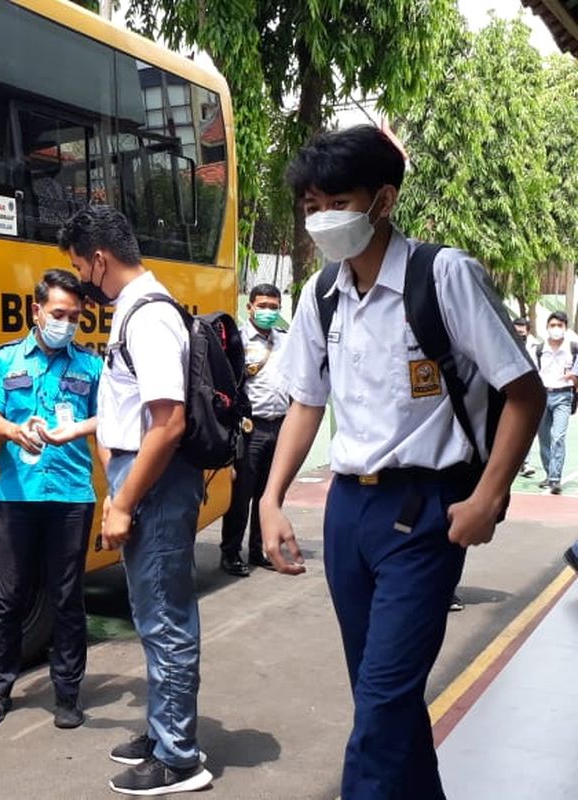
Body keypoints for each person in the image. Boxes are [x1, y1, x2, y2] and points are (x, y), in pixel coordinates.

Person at [258, 126, 544, 800]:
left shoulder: (444, 276)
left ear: (382, 200)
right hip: (347, 514)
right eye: (309, 205)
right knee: (382, 699)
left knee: (383, 707)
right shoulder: (321, 294)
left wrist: (488, 498)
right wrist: (271, 500)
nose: (320, 218)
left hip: (423, 514)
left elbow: (523, 392)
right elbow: (305, 401)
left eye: (336, 200)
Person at [59, 205, 213, 795]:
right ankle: (161, 731)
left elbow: (168, 424)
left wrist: (122, 501)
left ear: (99, 259)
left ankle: (179, 758)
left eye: (79, 267)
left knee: (165, 617)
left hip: (156, 482)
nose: (81, 280)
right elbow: (134, 410)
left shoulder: (147, 317)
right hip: (142, 475)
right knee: (151, 615)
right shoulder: (136, 309)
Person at [0, 268, 101, 730]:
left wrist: (79, 431)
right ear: (36, 310)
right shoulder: (5, 359)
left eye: (74, 316)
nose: (66, 323)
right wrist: (14, 430)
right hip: (17, 496)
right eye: (58, 313)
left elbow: (107, 422)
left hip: (71, 496)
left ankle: (67, 694)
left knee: (67, 597)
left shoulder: (90, 366)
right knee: (9, 596)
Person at [219, 283, 287, 576]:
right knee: (242, 495)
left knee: (269, 494)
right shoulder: (238, 340)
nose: (268, 312)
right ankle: (231, 553)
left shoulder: (286, 341)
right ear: (250, 307)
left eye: (274, 307)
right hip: (250, 429)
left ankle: (260, 549)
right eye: (263, 306)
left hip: (280, 426)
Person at [533, 311, 578, 495]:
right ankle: (548, 473)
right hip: (542, 395)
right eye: (553, 325)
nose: (556, 329)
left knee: (558, 436)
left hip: (563, 396)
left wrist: (574, 377)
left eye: (559, 326)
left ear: (565, 328)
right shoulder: (538, 348)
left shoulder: (574, 348)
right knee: (544, 437)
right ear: (547, 327)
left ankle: (555, 479)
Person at [512, 319, 538, 479]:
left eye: (521, 333)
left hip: (528, 395)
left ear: (527, 332)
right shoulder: (503, 344)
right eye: (516, 332)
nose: (519, 336)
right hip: (509, 394)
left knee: (526, 430)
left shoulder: (536, 348)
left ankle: (524, 463)